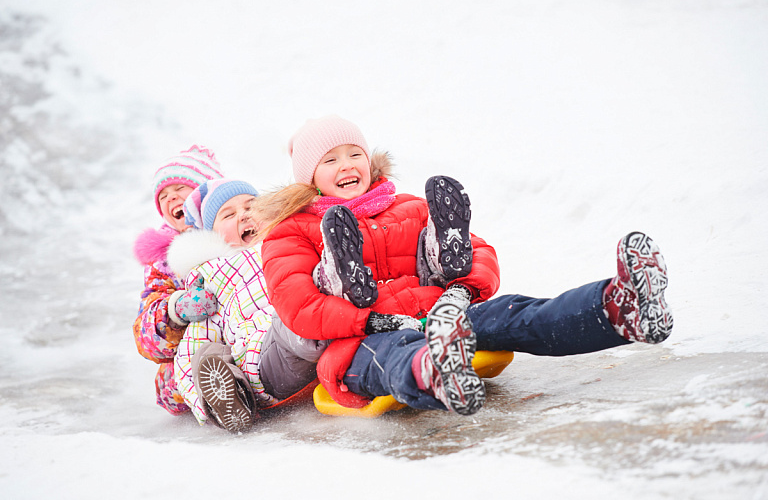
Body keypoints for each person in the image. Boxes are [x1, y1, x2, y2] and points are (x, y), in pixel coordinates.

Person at [257, 115, 674, 417]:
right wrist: (373, 321)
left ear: (370, 160)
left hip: (441, 314)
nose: (347, 165)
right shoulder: (290, 232)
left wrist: (460, 291)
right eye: (330, 160)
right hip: (357, 341)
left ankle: (619, 309)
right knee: (393, 354)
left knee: (513, 313)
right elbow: (299, 308)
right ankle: (435, 366)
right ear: (308, 178)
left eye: (355, 154)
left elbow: (483, 251)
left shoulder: (410, 208)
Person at [168, 178, 329, 433]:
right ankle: (229, 398)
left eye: (251, 206)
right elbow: (190, 352)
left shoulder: (290, 241)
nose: (244, 216)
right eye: (228, 215)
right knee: (206, 355)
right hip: (265, 360)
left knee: (318, 289)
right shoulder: (211, 281)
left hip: (315, 316)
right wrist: (203, 406)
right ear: (212, 236)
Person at [132, 145, 224, 416]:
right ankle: (222, 394)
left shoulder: (237, 232)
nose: (171, 198)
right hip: (196, 351)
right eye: (163, 196)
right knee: (177, 377)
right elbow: (145, 336)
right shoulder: (163, 263)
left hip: (244, 335)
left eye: (180, 189)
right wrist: (175, 311)